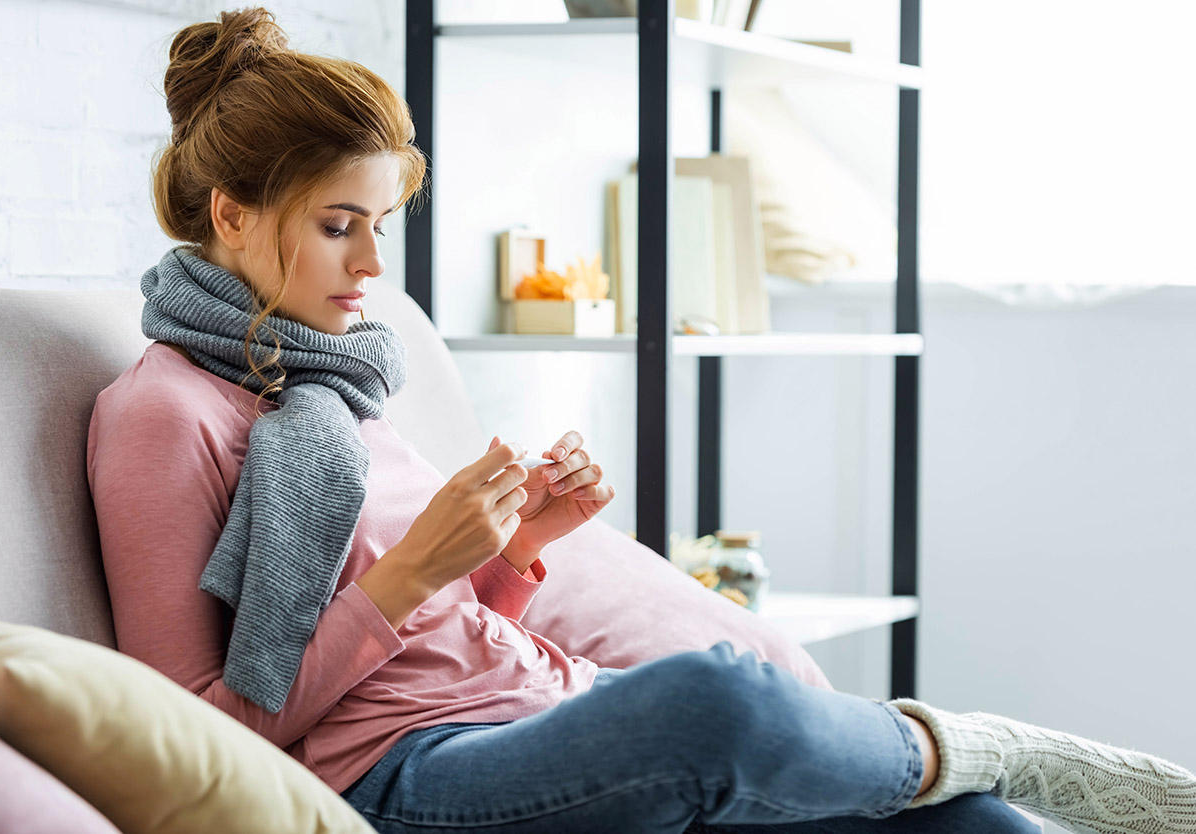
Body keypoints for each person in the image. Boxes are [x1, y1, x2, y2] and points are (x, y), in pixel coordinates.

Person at [85, 8, 1196, 834]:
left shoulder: (329, 386)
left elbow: (434, 626)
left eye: (381, 222)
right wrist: (410, 575)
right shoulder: (161, 416)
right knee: (710, 697)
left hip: (525, 706)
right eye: (339, 226)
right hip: (395, 777)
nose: (375, 264)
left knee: (969, 826)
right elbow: (196, 739)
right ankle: (988, 742)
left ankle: (1000, 779)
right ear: (231, 213)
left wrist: (517, 555)